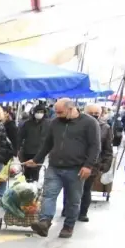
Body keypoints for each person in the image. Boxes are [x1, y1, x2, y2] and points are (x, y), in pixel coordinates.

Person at [26, 99, 101, 239]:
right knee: (48, 195)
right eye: (56, 111)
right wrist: (36, 160)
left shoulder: (90, 123)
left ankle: (68, 226)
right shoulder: (55, 123)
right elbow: (47, 144)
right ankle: (44, 222)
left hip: (77, 168)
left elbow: (95, 146)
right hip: (55, 167)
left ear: (71, 108)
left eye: (60, 112)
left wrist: (88, 166)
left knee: (73, 200)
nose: (57, 114)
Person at [78, 104, 114, 222]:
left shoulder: (105, 128)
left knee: (86, 188)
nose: (94, 115)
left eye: (96, 113)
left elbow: (108, 149)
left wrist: (104, 165)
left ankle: (83, 212)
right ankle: (67, 209)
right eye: (91, 113)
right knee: (71, 188)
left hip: (93, 164)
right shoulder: (77, 125)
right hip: (75, 161)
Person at [18, 101, 50, 182]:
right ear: (34, 112)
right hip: (27, 151)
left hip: (40, 152)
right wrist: (17, 149)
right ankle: (27, 187)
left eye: (41, 112)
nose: (39, 114)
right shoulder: (27, 124)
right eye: (38, 112)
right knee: (27, 172)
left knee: (35, 172)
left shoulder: (48, 124)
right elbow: (20, 136)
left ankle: (34, 187)